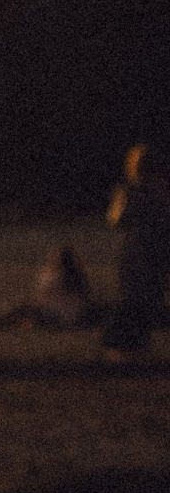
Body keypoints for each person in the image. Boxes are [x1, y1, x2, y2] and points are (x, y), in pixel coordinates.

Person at [103, 142, 166, 359]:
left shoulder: (130, 190)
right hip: (153, 248)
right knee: (145, 297)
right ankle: (135, 345)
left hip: (139, 248)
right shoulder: (161, 190)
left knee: (135, 297)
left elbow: (115, 220)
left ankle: (128, 346)